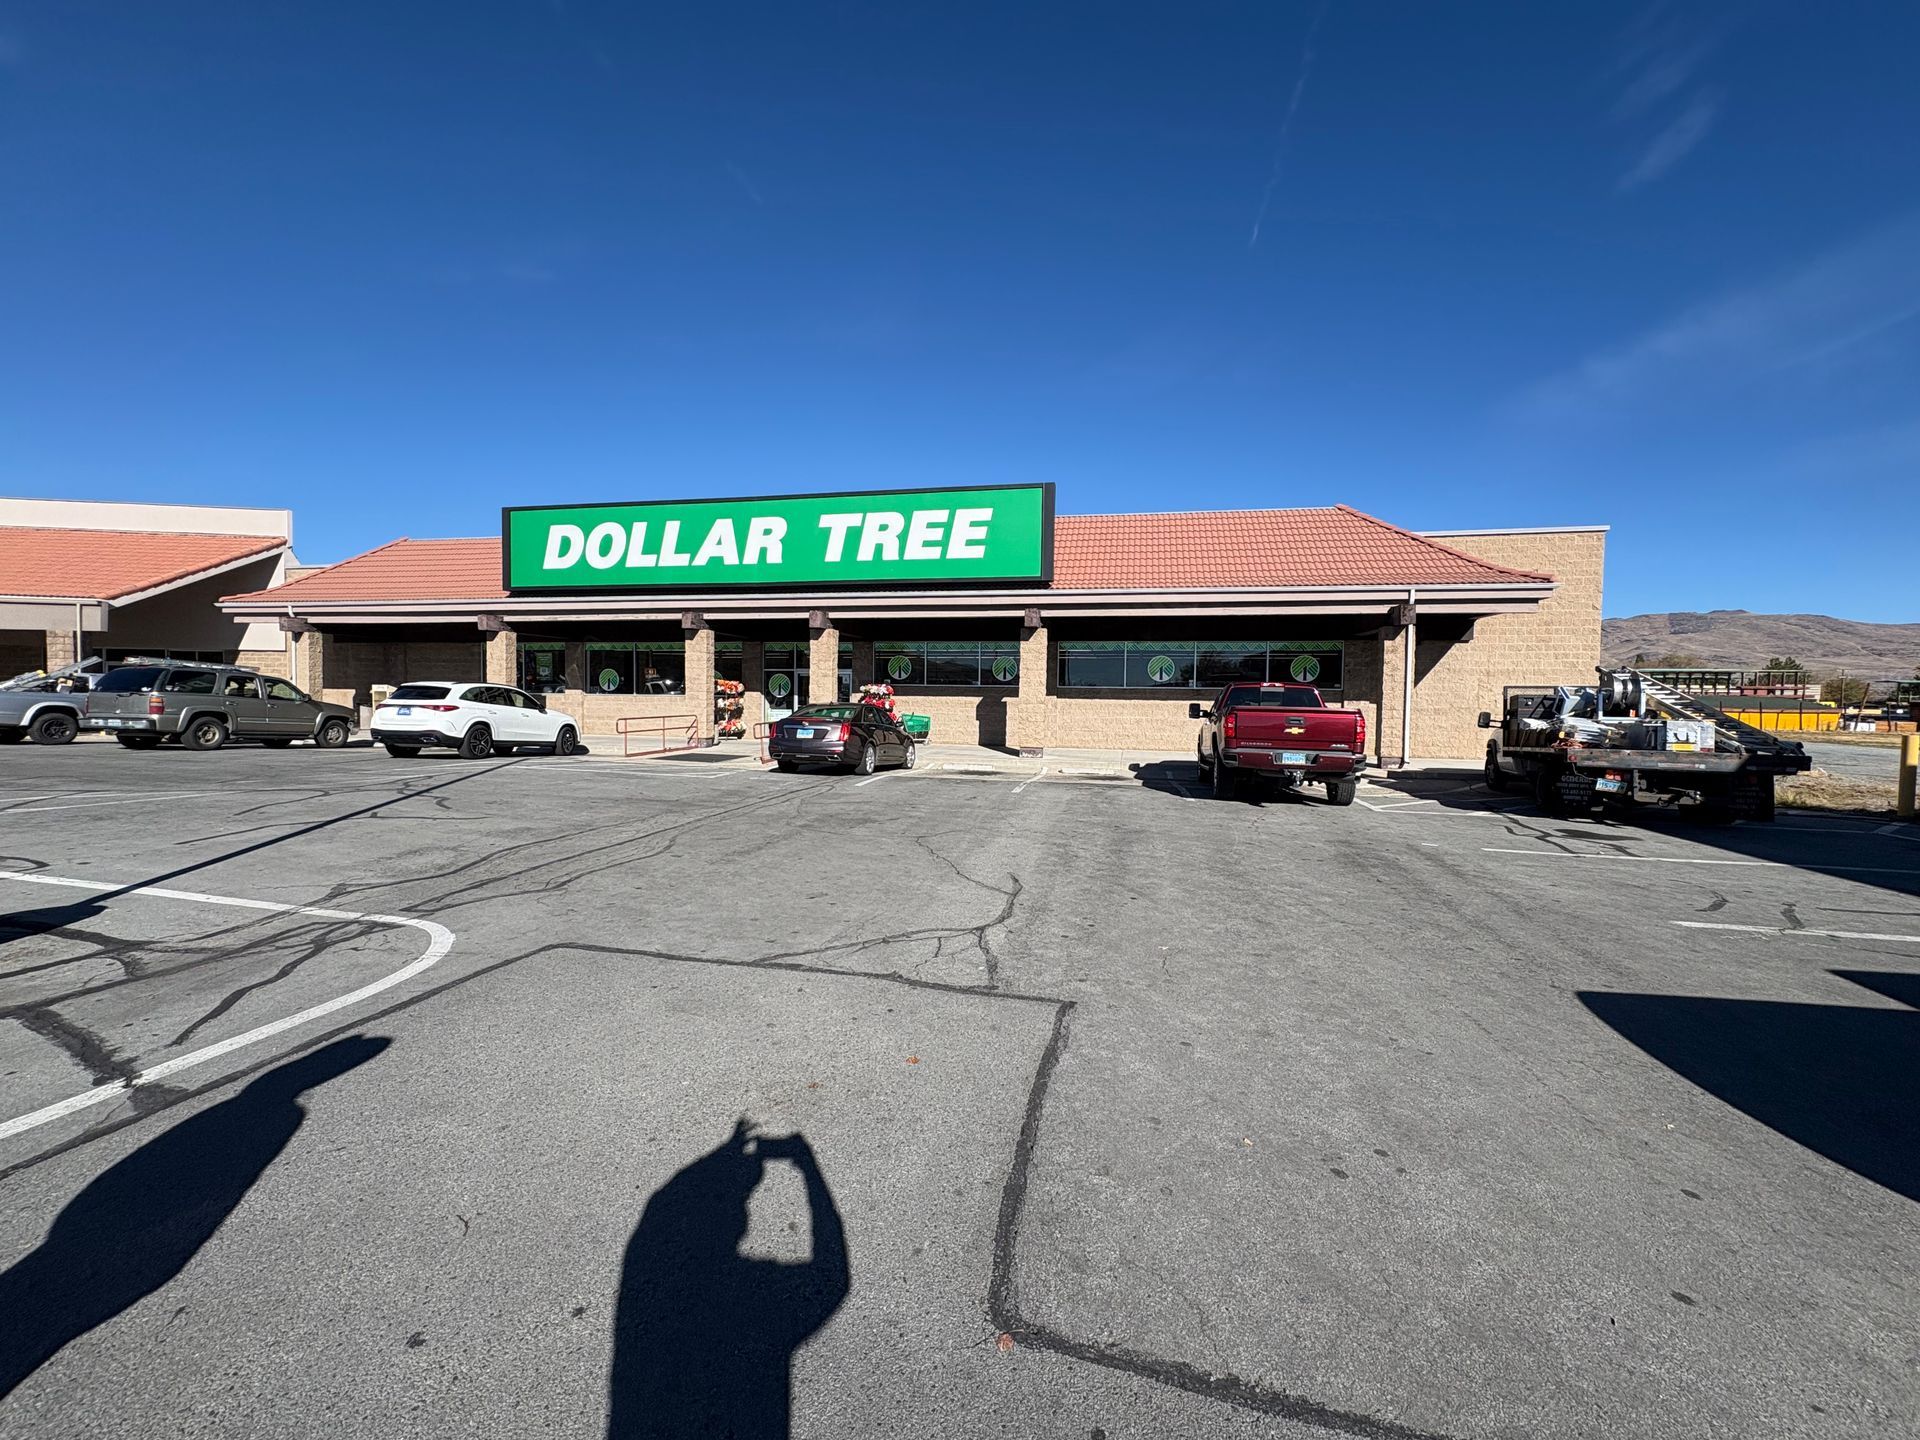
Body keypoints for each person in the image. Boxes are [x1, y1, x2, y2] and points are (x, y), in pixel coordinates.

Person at [607, 1121, 849, 1439]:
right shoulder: (750, 1294)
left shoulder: (648, 1273)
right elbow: (832, 1277)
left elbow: (661, 1208)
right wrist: (807, 1165)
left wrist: (726, 1156)